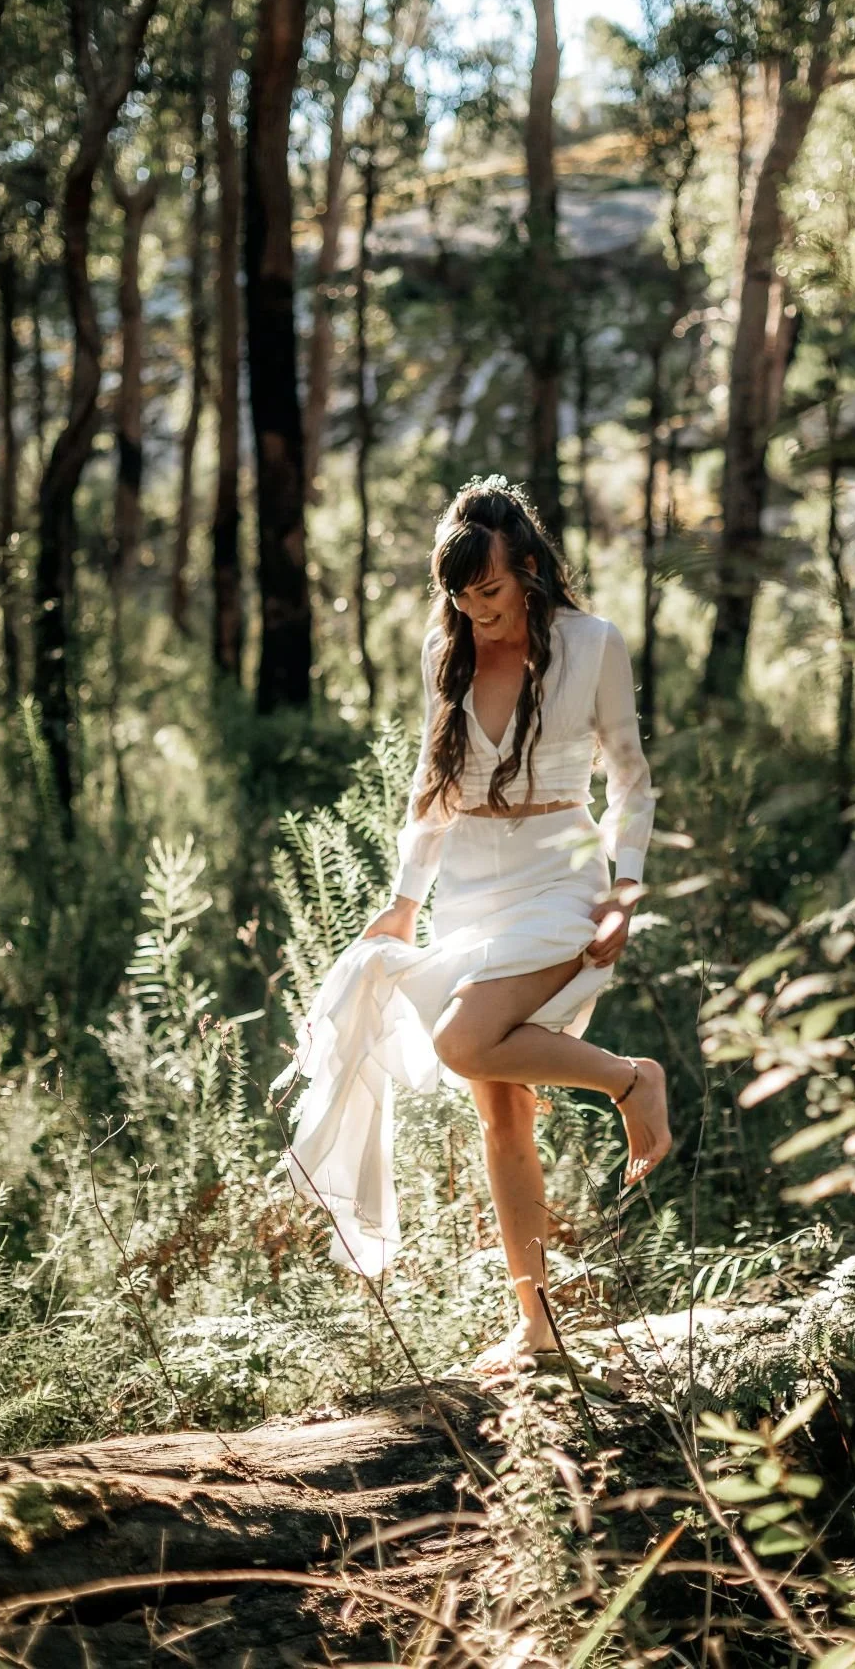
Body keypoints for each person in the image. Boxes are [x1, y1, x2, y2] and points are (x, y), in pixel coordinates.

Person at [276, 474, 671, 1376]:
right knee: (502, 1114)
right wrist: (405, 899)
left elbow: (631, 780)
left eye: (489, 590)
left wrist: (627, 889)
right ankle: (536, 1329)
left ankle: (629, 1079)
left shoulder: (592, 644)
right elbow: (433, 787)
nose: (476, 610)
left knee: (463, 1040)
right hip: (469, 890)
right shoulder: (444, 652)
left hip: (563, 880)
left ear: (527, 568)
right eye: (460, 594)